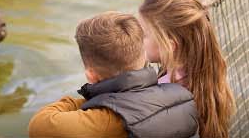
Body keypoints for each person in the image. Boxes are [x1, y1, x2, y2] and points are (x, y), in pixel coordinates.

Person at [28, 11, 198, 138]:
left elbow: (38, 125)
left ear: (91, 75)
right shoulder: (179, 94)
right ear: (142, 56)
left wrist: (94, 98)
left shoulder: (106, 119)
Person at [139, 0, 235, 138]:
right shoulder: (207, 69)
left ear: (169, 46)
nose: (138, 39)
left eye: (144, 34)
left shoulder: (160, 92)